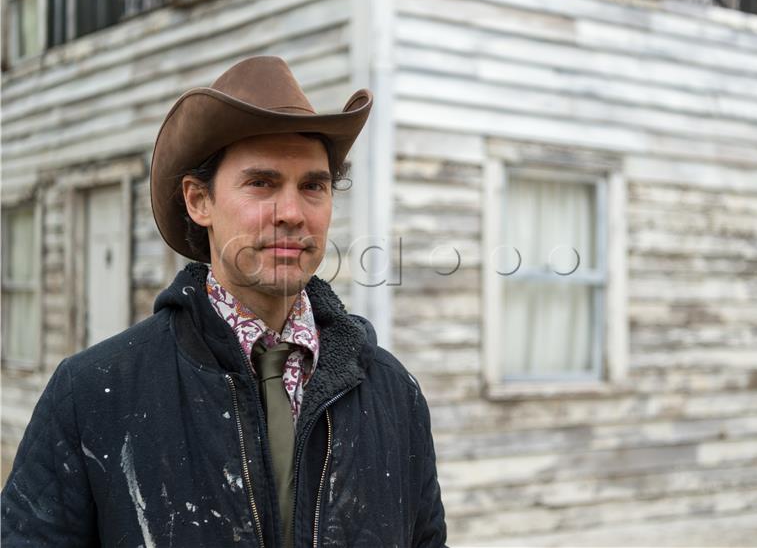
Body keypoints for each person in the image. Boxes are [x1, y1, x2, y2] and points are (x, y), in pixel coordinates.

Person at [1, 56, 447, 547]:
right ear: (199, 201)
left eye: (313, 186)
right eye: (262, 183)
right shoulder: (92, 395)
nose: (293, 213)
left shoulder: (394, 394)